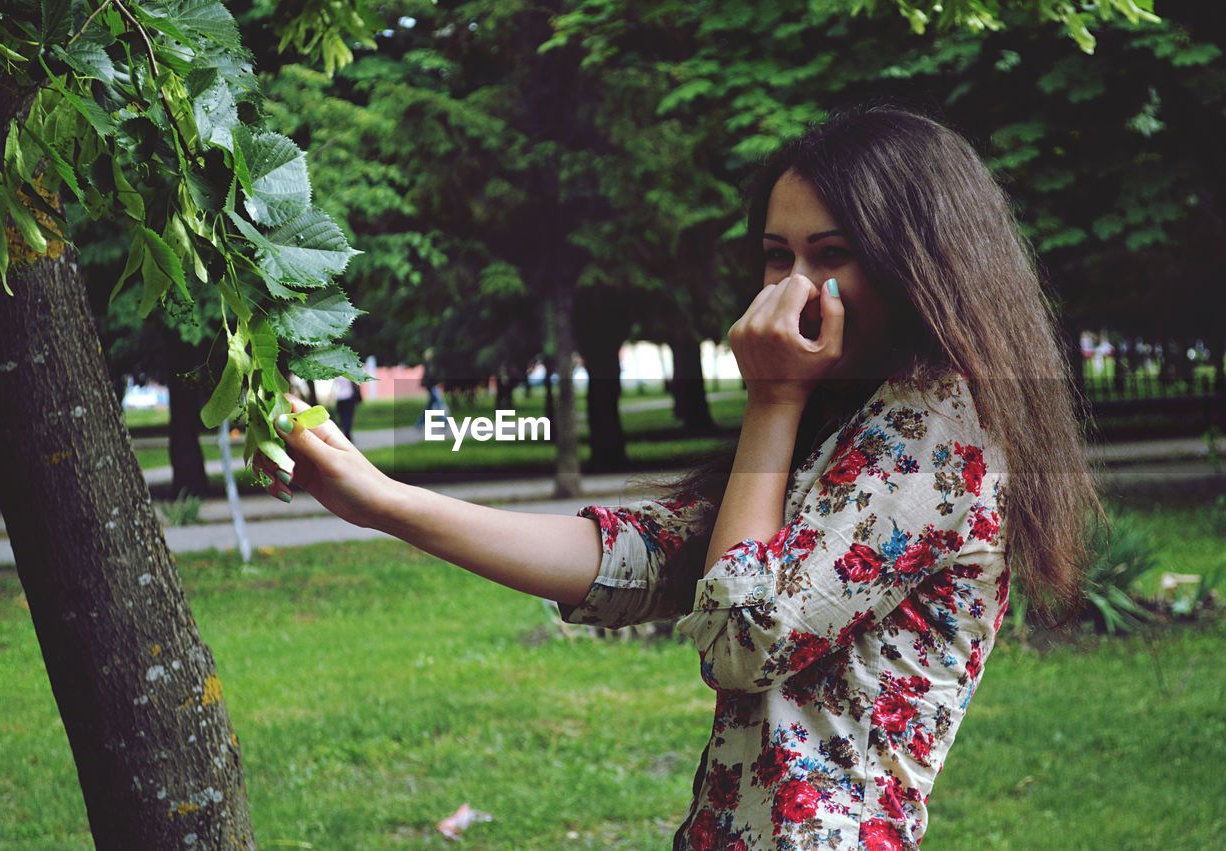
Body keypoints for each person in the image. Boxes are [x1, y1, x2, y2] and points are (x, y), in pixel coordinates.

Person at [252, 104, 1107, 850]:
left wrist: (771, 397)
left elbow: (745, 636)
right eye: (777, 256)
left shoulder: (941, 426)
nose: (794, 289)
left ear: (918, 260)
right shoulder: (851, 409)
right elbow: (651, 559)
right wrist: (381, 500)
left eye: (831, 254)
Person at [333, 375, 359, 440]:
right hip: (349, 396)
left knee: (342, 417)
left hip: (340, 397)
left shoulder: (337, 375)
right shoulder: (349, 374)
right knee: (348, 417)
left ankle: (346, 433)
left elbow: (335, 385)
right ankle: (347, 433)